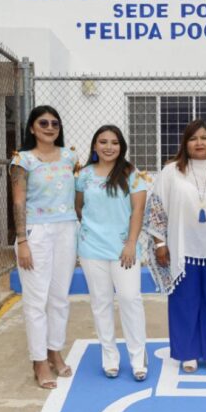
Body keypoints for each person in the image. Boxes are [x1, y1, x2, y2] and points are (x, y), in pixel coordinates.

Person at [146, 120, 206, 373]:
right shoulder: (171, 171)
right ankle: (187, 352)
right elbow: (157, 207)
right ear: (185, 143)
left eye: (204, 138)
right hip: (182, 247)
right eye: (193, 139)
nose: (199, 143)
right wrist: (160, 242)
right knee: (184, 301)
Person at [10, 105, 79, 389]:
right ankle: (39, 361)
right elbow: (18, 201)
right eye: (43, 123)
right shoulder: (22, 160)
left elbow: (78, 194)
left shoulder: (70, 157)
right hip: (35, 233)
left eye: (55, 123)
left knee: (60, 297)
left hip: (66, 229)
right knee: (36, 300)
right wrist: (22, 240)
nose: (50, 127)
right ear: (32, 128)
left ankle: (54, 351)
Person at [75, 125, 149, 381]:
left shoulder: (132, 174)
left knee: (130, 299)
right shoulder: (84, 175)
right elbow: (79, 207)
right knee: (101, 303)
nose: (109, 147)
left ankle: (138, 358)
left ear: (121, 146)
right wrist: (91, 233)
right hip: (91, 249)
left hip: (123, 250)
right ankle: (110, 357)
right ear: (95, 146)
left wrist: (130, 243)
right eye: (103, 142)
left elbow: (138, 211)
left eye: (114, 142)